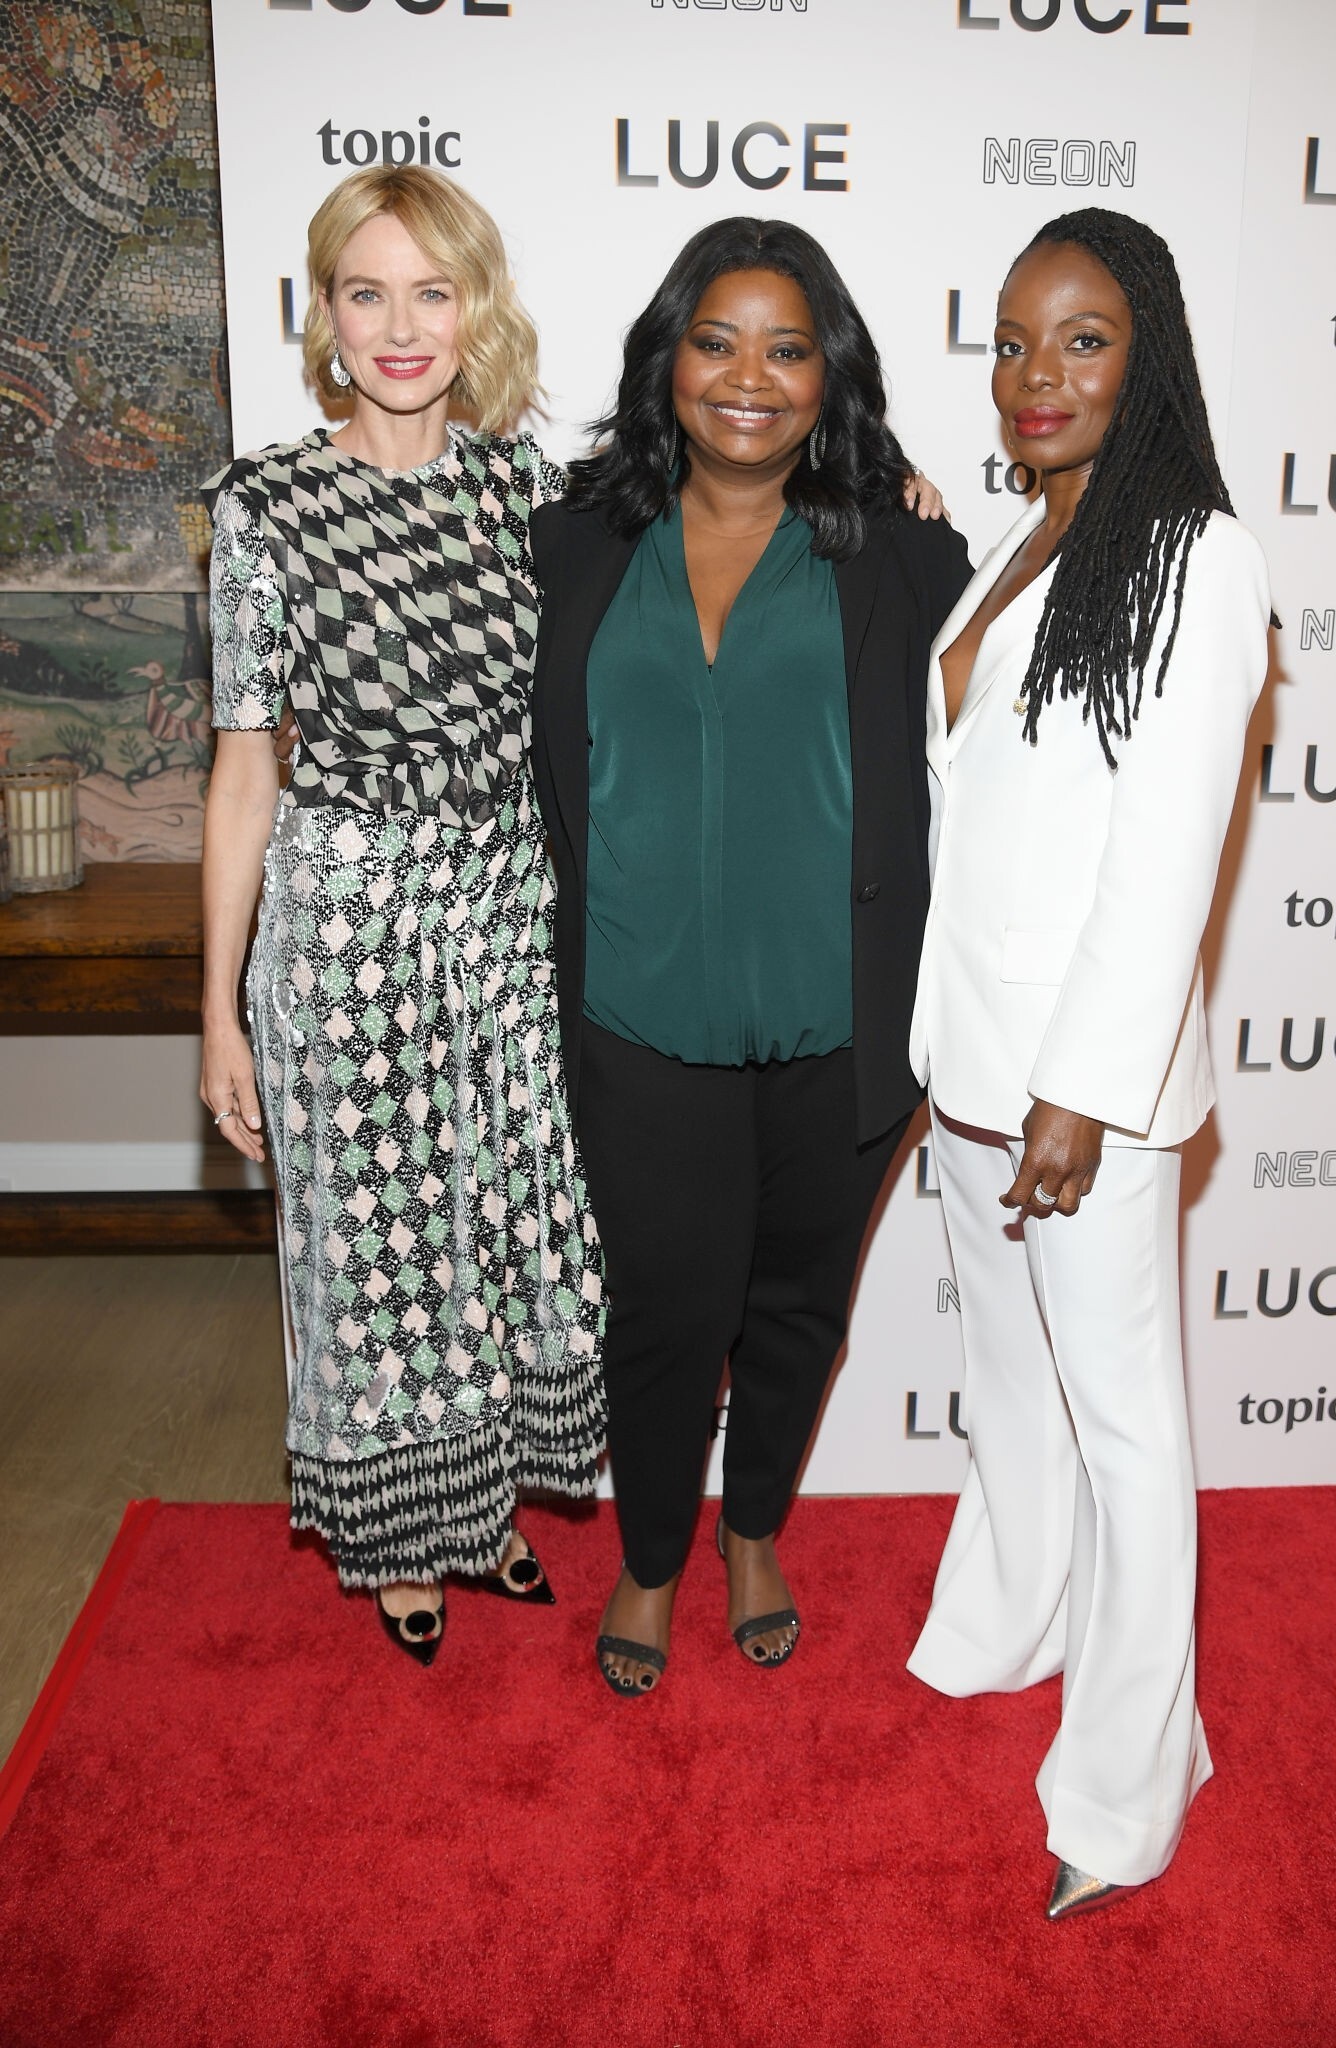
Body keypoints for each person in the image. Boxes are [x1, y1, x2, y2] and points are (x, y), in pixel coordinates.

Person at [528, 217, 969, 1697]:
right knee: (665, 1309)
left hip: (842, 1020)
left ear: (828, 376)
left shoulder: (907, 554)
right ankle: (654, 1554)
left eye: (787, 350)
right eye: (715, 342)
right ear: (668, 358)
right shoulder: (570, 543)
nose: (747, 377)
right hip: (635, 1014)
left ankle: (756, 1529)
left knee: (798, 1306)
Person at [906, 208, 1271, 1916]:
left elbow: (1167, 855)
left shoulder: (1197, 555)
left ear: (1149, 358)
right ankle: (1008, 1620)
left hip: (1080, 1097)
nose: (1033, 373)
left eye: (1081, 338)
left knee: (1125, 1425)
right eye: (1010, 341)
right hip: (969, 1064)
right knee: (1011, 1384)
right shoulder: (1019, 536)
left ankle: (1131, 1781)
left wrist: (1083, 1088)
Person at [199, 166, 607, 1664]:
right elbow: (246, 770)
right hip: (346, 934)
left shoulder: (530, 495)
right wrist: (217, 1007)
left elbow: (717, 521)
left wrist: (880, 487)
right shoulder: (265, 507)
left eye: (431, 292)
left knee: (497, 1224)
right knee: (375, 1246)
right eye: (366, 293)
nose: (400, 326)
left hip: (508, 922)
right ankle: (396, 1543)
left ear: (473, 307)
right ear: (325, 313)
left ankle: (478, 1507)